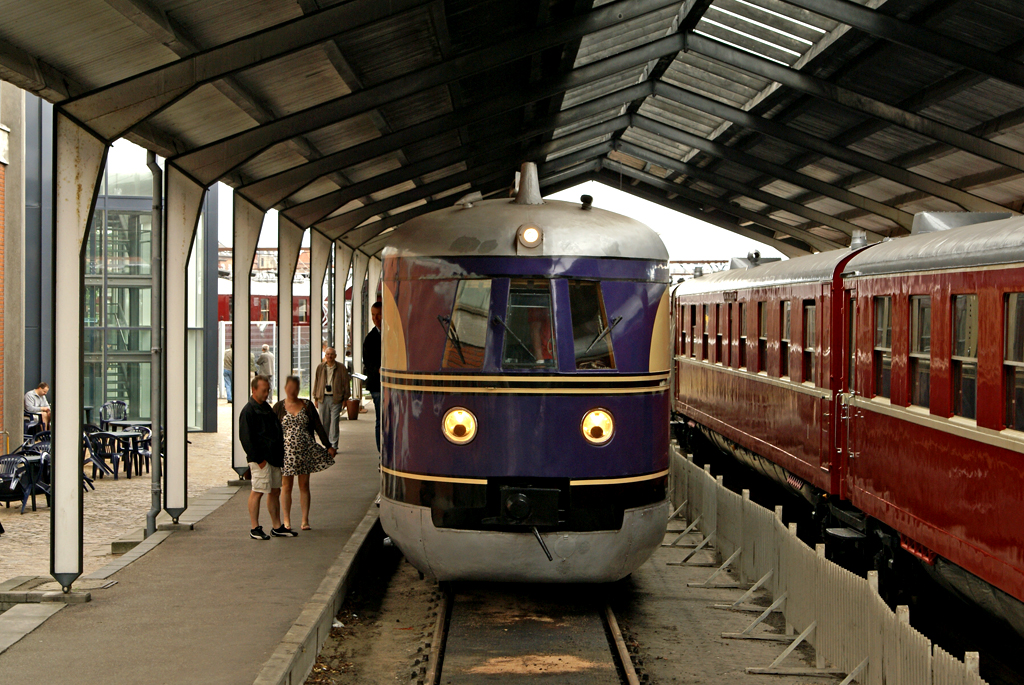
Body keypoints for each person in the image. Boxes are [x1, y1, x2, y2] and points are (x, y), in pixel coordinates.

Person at [274, 376, 336, 531]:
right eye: (290, 387)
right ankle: (286, 519)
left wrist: (328, 445)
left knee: (304, 485)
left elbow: (318, 426)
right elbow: (272, 430)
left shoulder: (307, 405)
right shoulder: (278, 407)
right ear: (285, 388)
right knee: (286, 486)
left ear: (298, 389)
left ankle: (304, 519)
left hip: (305, 451)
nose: (292, 391)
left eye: (295, 388)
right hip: (286, 453)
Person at [238, 375, 295, 540]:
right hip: (261, 459)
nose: (266, 393)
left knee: (275, 491)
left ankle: (277, 526)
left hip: (273, 457)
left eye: (268, 390)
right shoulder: (248, 411)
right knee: (258, 491)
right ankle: (254, 527)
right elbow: (246, 438)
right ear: (254, 390)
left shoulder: (266, 408)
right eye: (263, 390)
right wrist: (258, 459)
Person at [312, 347, 350, 449]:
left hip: (336, 398)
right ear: (325, 356)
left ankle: (334, 444)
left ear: (335, 356)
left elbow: (346, 383)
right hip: (323, 398)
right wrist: (315, 397)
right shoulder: (320, 367)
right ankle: (327, 444)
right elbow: (316, 382)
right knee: (324, 422)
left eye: (332, 354)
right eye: (328, 354)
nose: (330, 356)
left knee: (334, 421)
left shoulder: (341, 368)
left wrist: (345, 398)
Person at [363, 302, 383, 452]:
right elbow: (368, 363)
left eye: (379, 314)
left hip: (387, 383)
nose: (375, 318)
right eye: (373, 315)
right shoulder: (370, 339)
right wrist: (378, 369)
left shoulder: (393, 334)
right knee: (380, 420)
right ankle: (381, 453)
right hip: (377, 385)